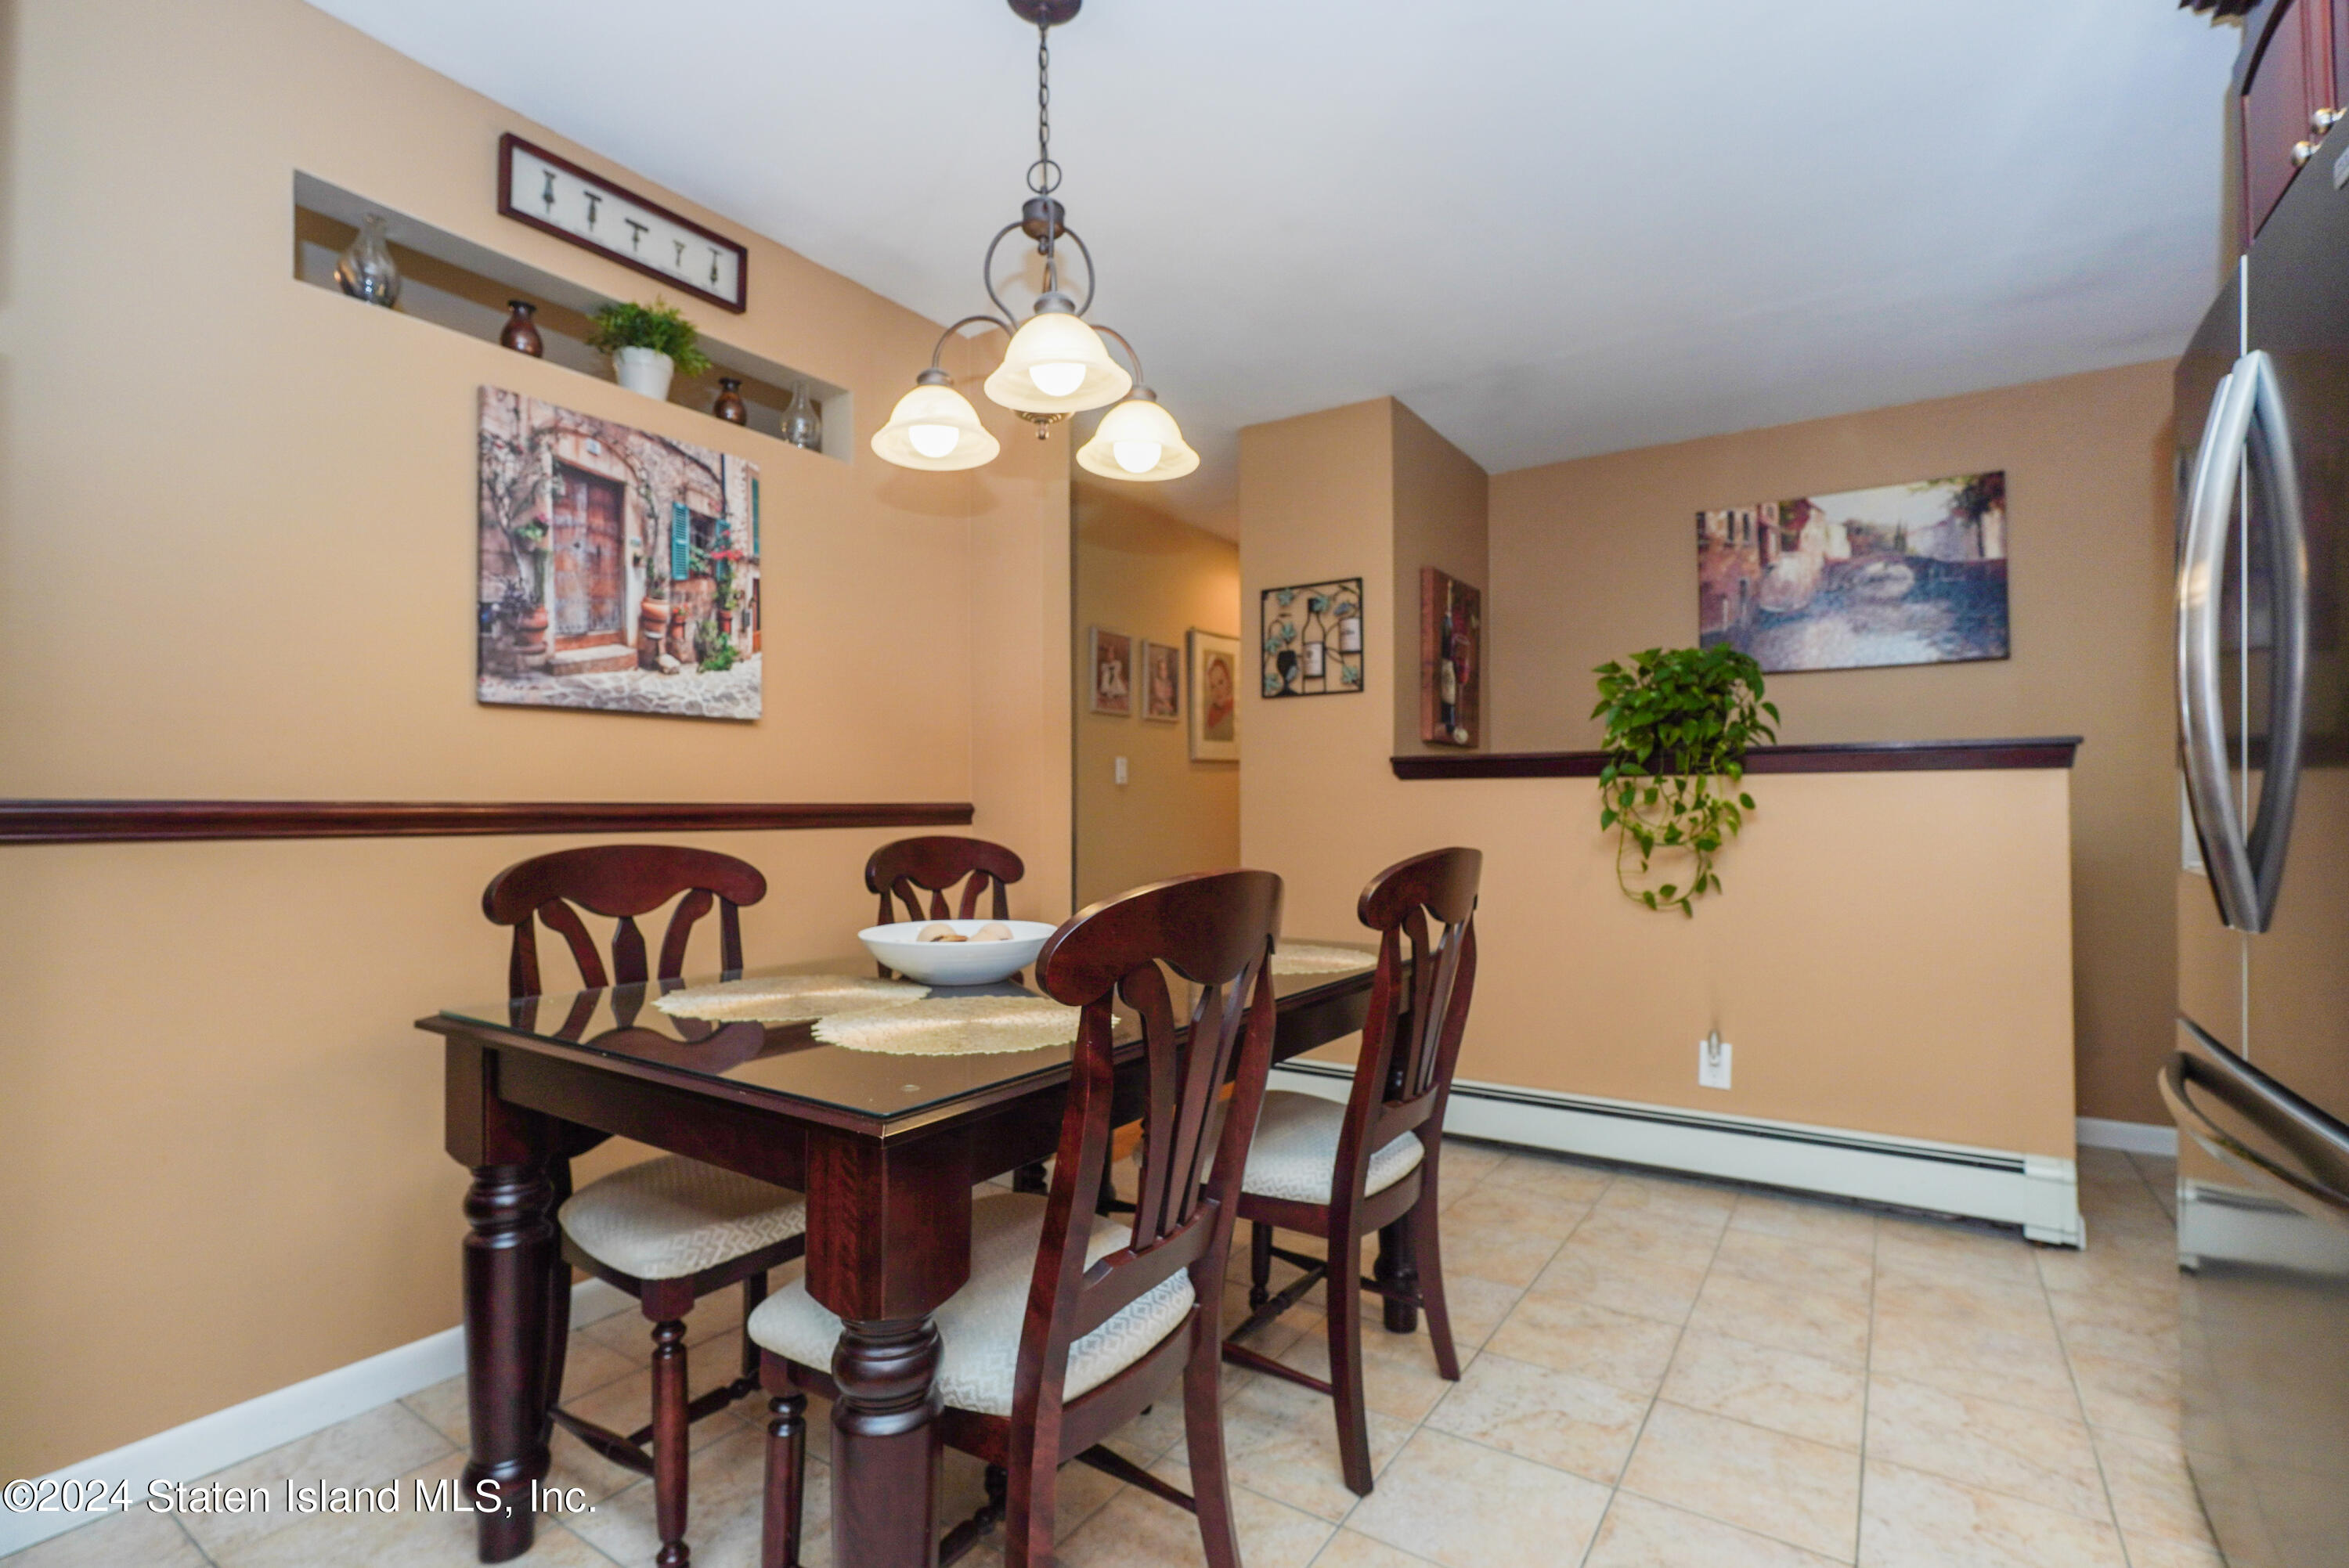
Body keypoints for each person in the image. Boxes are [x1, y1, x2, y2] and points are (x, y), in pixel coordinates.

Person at [1203, 652, 1236, 739]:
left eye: (1221, 682)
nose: (1218, 691)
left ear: (1228, 682)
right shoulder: (1210, 714)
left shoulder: (1234, 710)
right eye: (1213, 687)